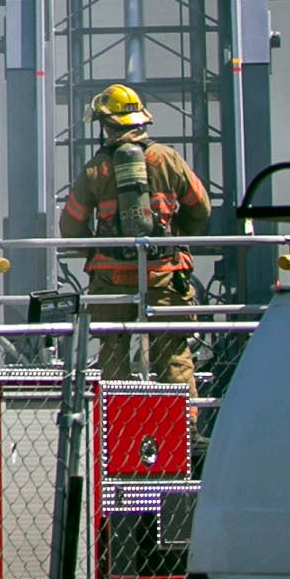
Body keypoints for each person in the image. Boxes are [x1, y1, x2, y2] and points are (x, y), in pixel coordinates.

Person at [61, 83, 210, 387]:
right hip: (165, 274)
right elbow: (201, 209)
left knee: (112, 351)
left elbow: (71, 226)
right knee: (173, 352)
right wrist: (173, 238)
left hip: (110, 279)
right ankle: (184, 429)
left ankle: (119, 429)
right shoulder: (168, 159)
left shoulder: (95, 170)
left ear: (106, 126)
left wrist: (97, 253)